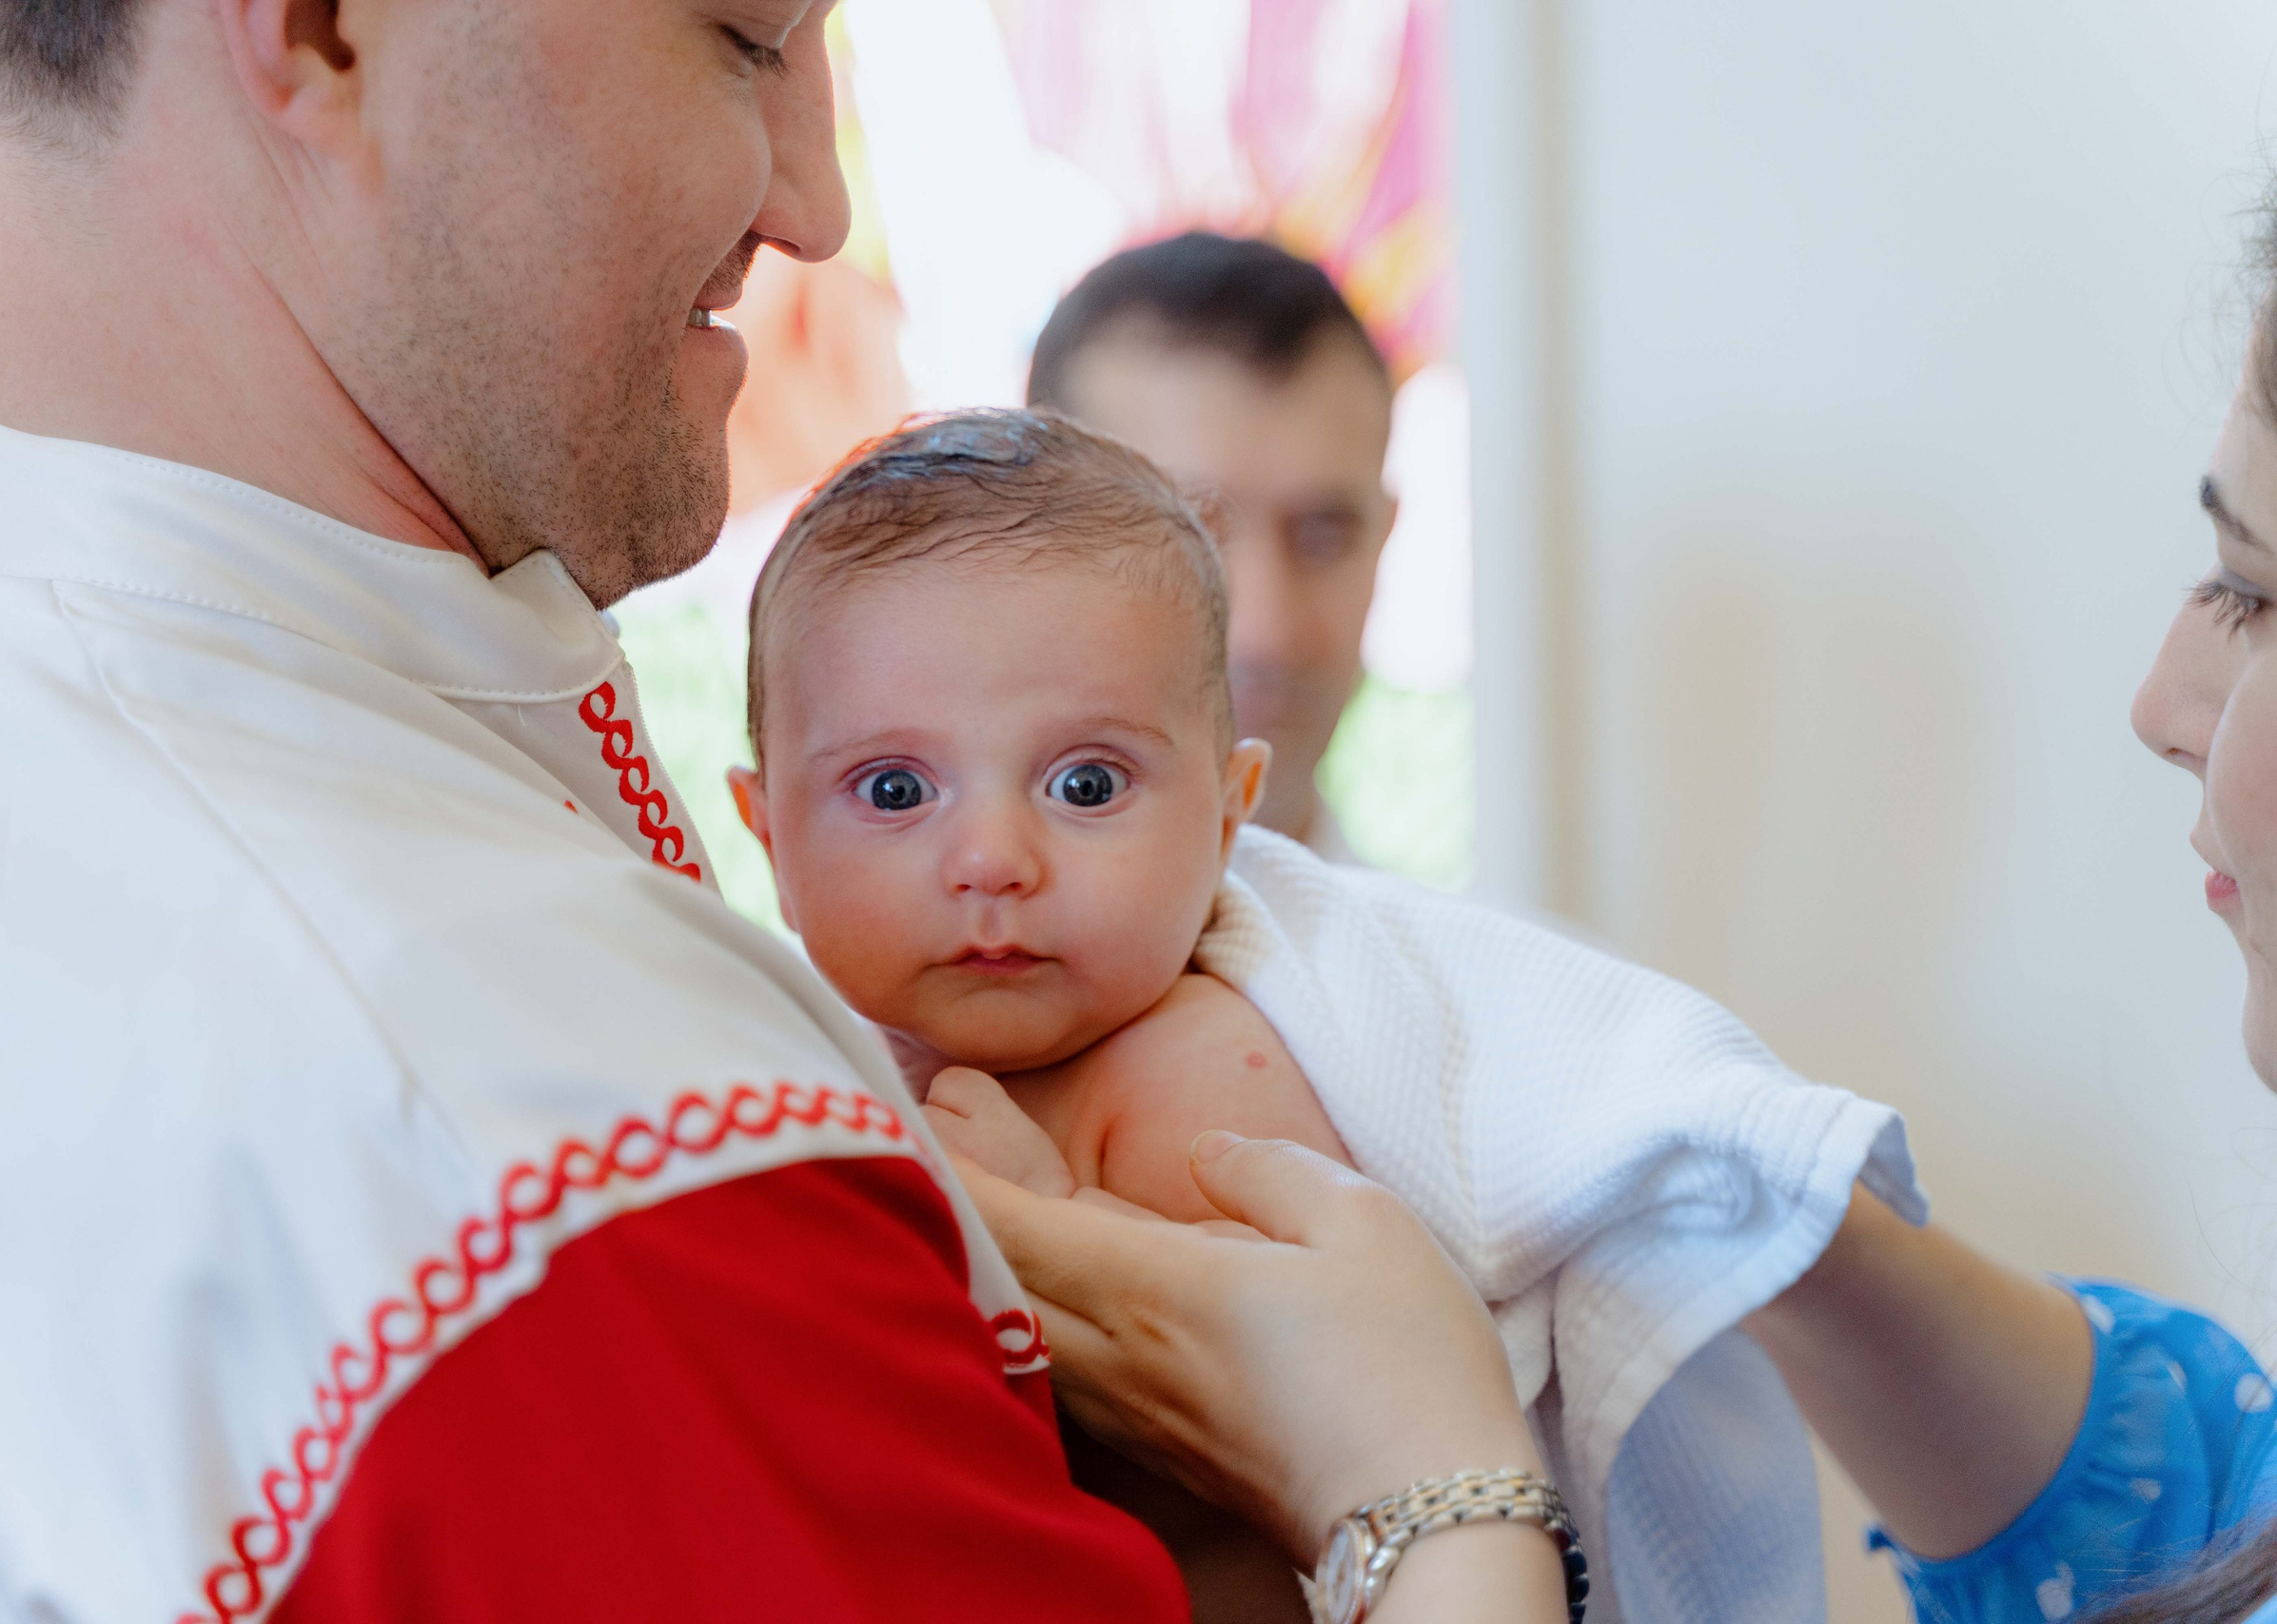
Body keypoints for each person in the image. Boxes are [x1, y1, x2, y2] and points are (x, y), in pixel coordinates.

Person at [0, 2, 1571, 1621]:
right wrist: (1427, 1476)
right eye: (745, 37)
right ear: (324, 23)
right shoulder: (584, 1179)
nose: (820, 206)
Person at [972, 209, 2277, 1624]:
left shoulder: (1560, 1059)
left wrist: (1432, 1461)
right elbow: (2195, 1501)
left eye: (2255, 591)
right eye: (1194, 527)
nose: (1273, 624)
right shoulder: (849, 1071)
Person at [725, 405, 1922, 1624]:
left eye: (1085, 784)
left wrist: (1064, 1222)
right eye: (892, 789)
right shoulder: (753, 1057)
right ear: (765, 832)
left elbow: (1283, 1421)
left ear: (1230, 811)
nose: (991, 858)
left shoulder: (1206, 1076)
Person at [1028, 233, 1398, 861]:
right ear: (1032, 538)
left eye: (1325, 535)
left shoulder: (1528, 961)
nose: (1267, 634)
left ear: (1385, 534)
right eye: (1189, 535)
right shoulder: (853, 956)